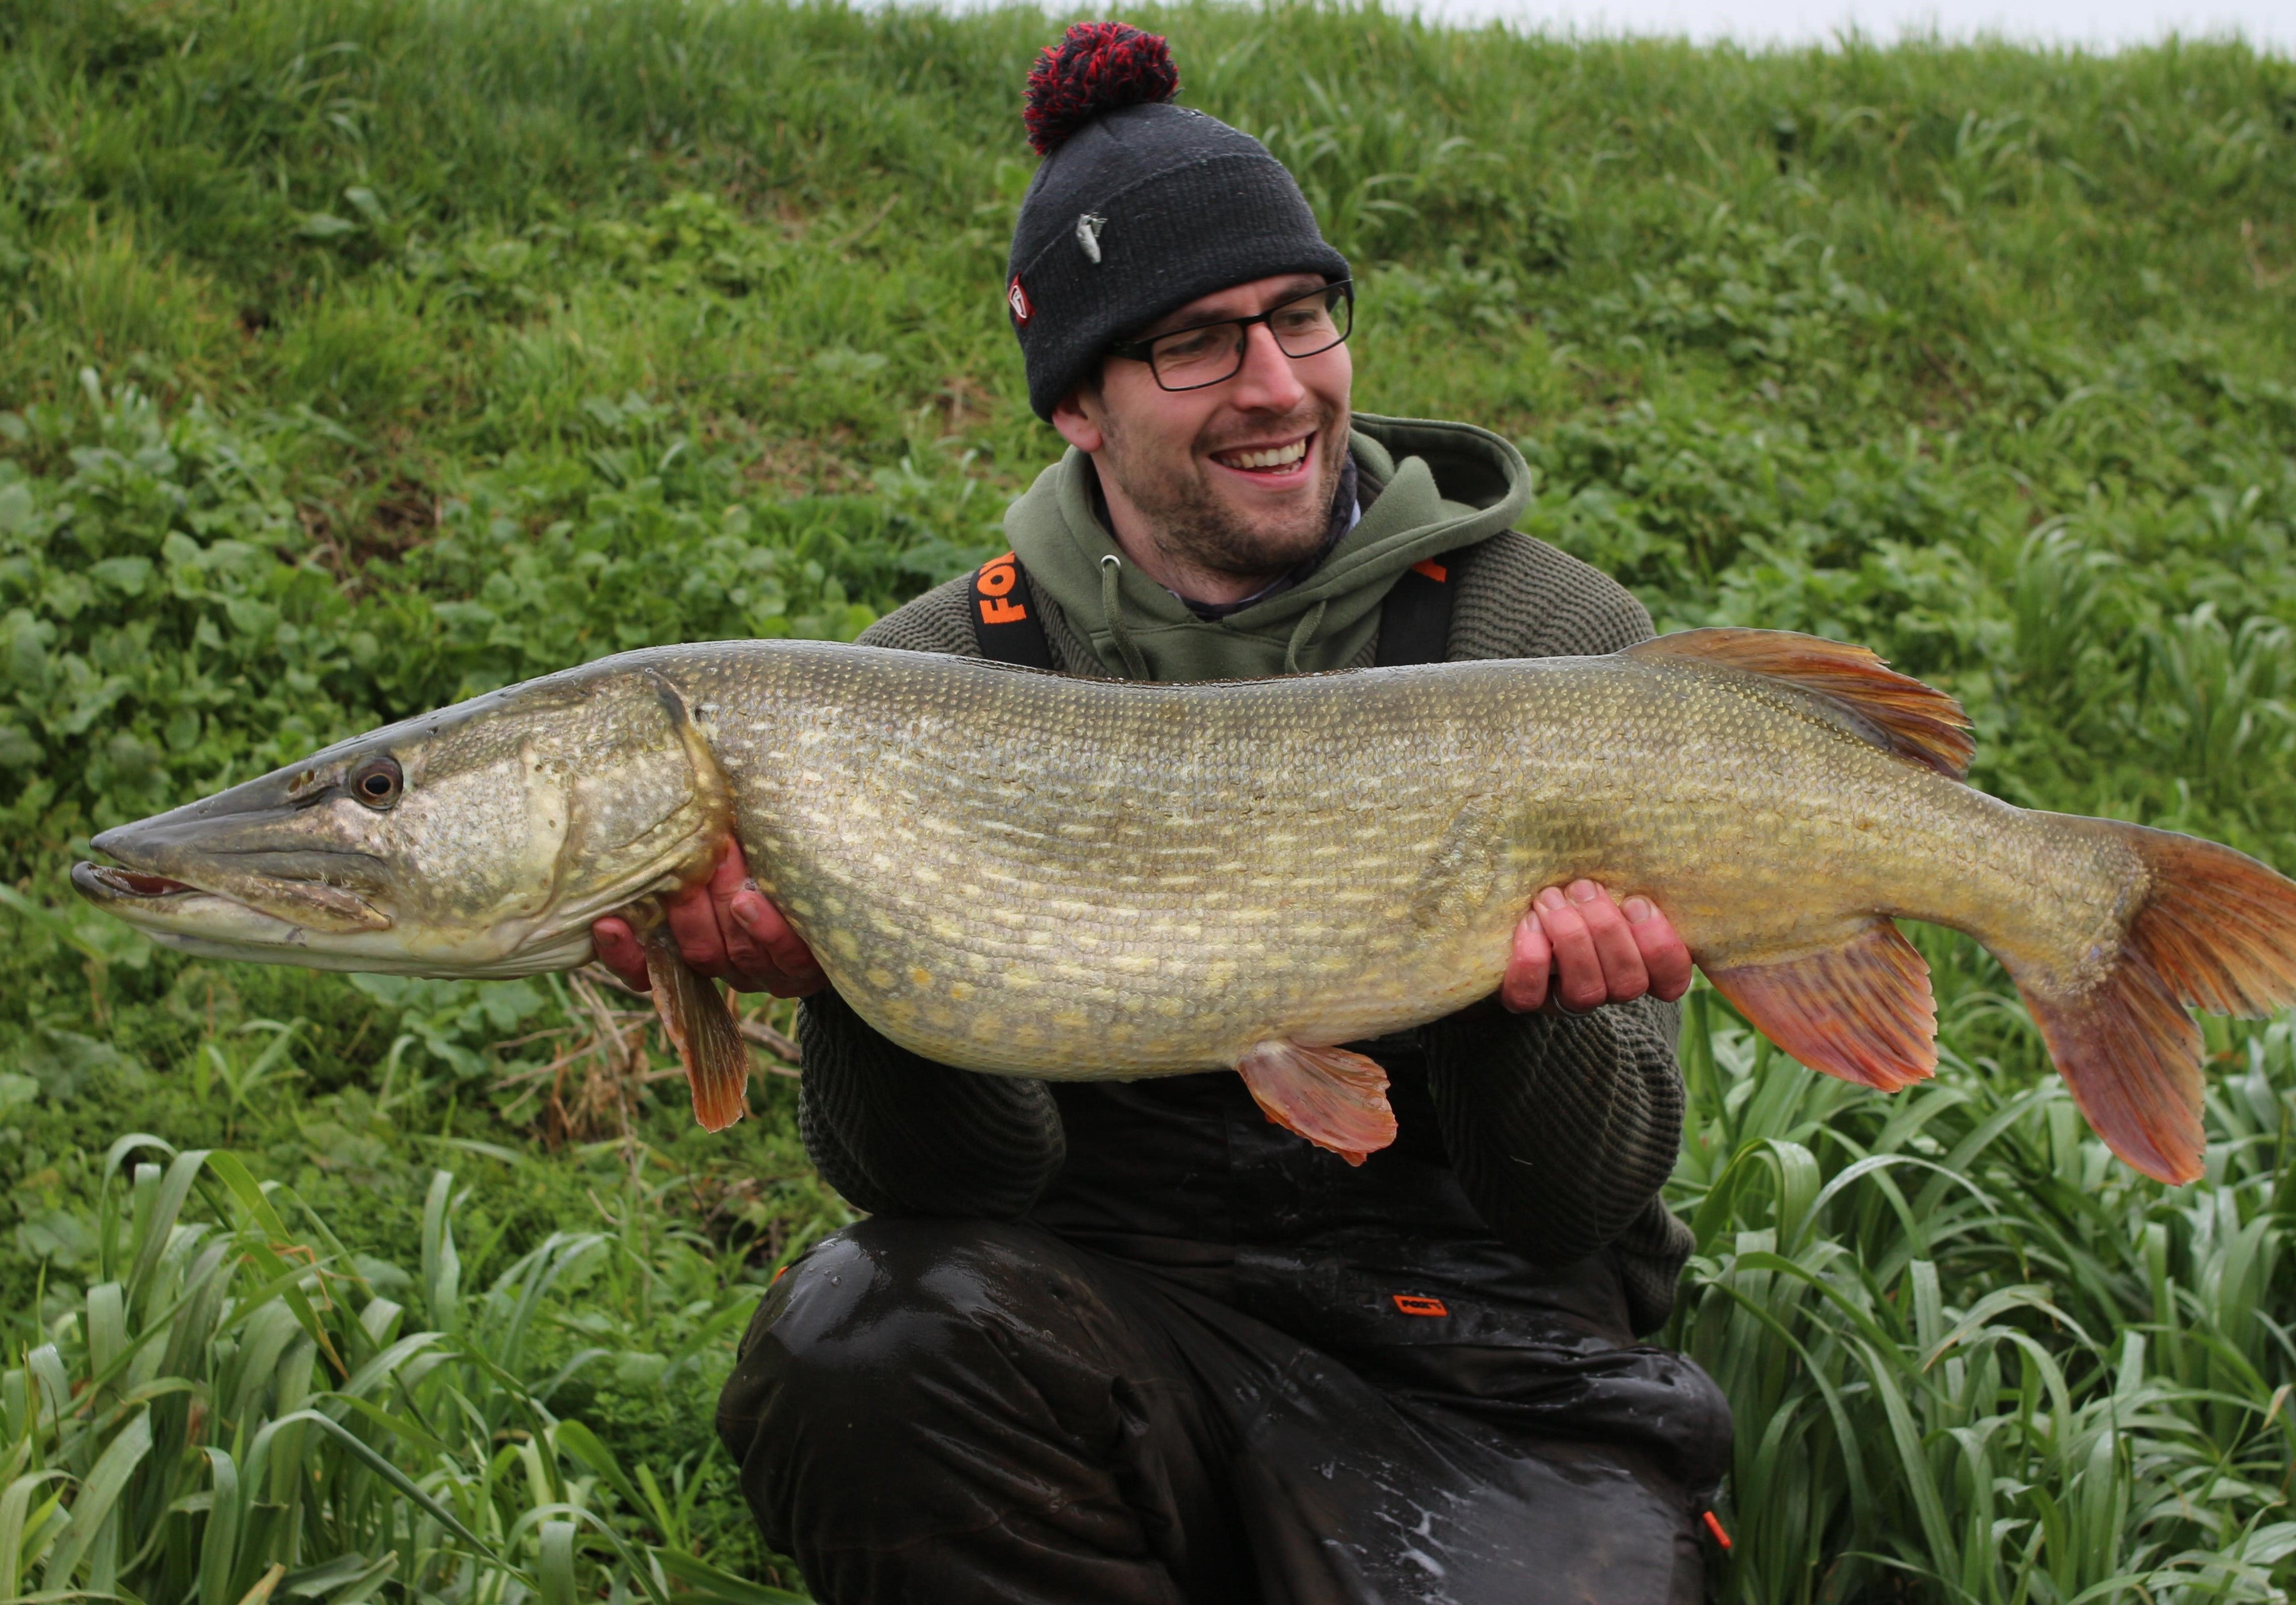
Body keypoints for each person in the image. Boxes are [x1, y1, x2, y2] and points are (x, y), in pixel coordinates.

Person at [592, 23, 1733, 1603]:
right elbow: (943, 1200)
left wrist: (1531, 1004)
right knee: (866, 1339)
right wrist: (850, 979)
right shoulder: (934, 675)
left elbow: (1579, 1201)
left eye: (1300, 317)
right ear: (1078, 401)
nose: (1276, 386)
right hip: (1114, 1316)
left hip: (1481, 1344)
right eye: (1194, 343)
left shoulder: (1536, 635)